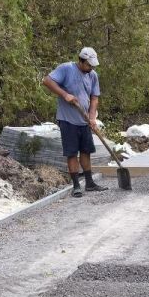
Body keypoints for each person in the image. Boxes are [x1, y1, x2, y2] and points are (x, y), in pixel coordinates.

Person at [42, 47, 107, 198]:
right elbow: (47, 81)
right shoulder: (66, 69)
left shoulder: (93, 75)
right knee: (72, 153)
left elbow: (94, 98)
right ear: (81, 61)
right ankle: (76, 186)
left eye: (93, 66)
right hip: (68, 120)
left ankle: (90, 183)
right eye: (89, 65)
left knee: (86, 151)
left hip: (84, 121)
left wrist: (92, 118)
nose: (91, 68)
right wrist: (65, 95)